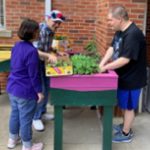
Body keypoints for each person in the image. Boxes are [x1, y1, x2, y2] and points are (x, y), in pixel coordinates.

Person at [99, 5, 147, 143]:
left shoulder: (133, 34)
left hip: (133, 78)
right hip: (123, 76)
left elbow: (125, 59)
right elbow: (112, 48)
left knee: (129, 107)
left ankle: (126, 133)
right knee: (124, 105)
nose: (109, 24)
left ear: (119, 19)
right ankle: (125, 126)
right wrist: (102, 64)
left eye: (110, 20)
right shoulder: (120, 31)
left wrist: (106, 67)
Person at [7, 18, 44, 150]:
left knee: (15, 114)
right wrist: (39, 92)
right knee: (26, 118)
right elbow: (33, 75)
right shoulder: (32, 51)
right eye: (37, 31)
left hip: (12, 88)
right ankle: (27, 145)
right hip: (26, 91)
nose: (39, 33)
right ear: (32, 33)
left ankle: (12, 140)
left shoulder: (16, 46)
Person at [32, 10, 65, 131]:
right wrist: (49, 56)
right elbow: (34, 50)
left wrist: (56, 52)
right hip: (36, 63)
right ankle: (35, 118)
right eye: (55, 22)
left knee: (47, 87)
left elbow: (47, 46)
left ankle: (42, 113)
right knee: (41, 90)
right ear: (48, 18)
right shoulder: (40, 29)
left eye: (59, 23)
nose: (57, 25)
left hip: (44, 62)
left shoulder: (51, 31)